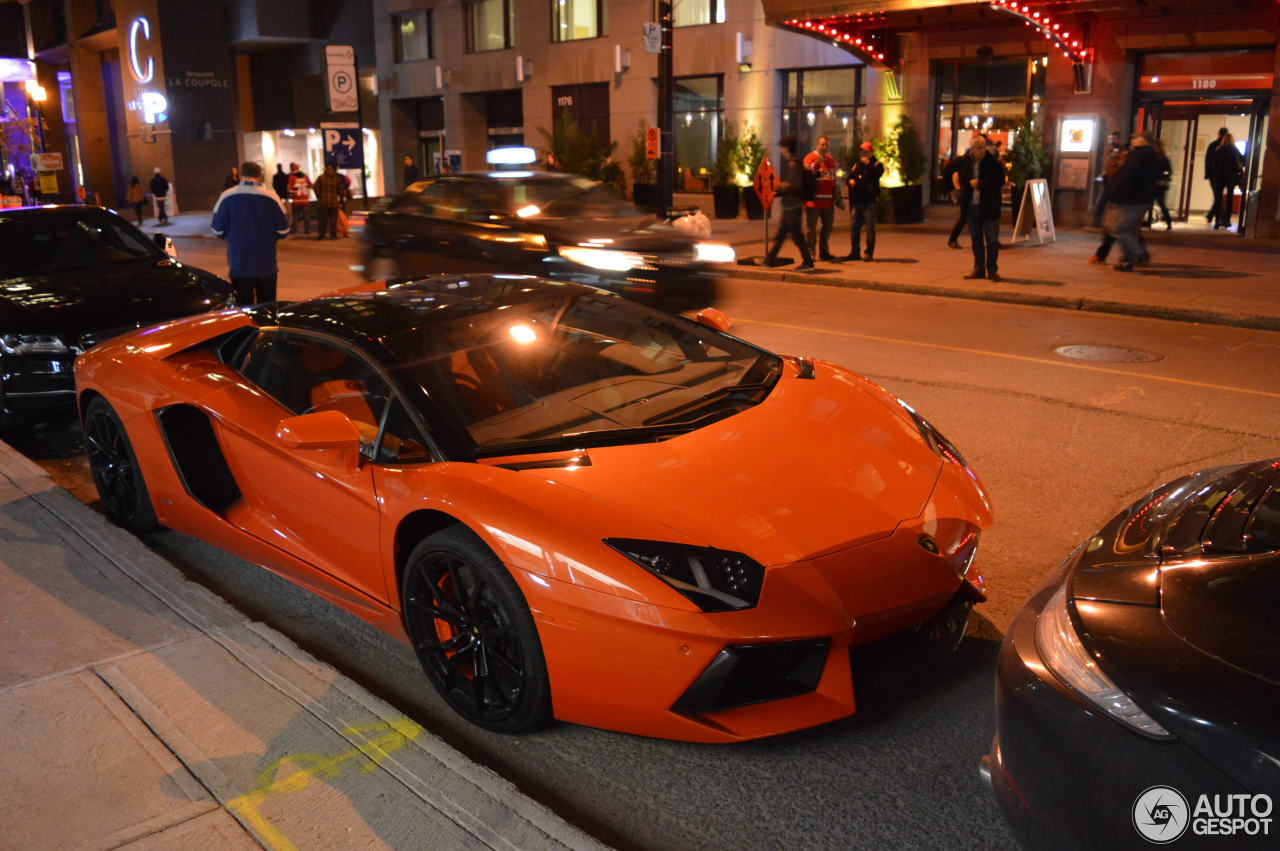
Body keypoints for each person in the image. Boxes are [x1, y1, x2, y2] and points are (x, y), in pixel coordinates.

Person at [211, 161, 289, 305]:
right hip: (266, 264)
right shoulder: (272, 197)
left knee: (243, 310)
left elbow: (217, 230)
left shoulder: (226, 197)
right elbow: (283, 230)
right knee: (267, 309)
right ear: (260, 176)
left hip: (239, 264)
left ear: (241, 175)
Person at [1108, 131, 1160, 272]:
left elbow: (1129, 176)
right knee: (1128, 229)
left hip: (1135, 198)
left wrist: (1116, 191)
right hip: (1141, 197)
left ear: (1144, 140)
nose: (1133, 139)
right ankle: (1126, 260)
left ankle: (1139, 254)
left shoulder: (1139, 155)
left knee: (1122, 228)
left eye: (1136, 137)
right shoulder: (1149, 155)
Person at [956, 135, 1005, 281]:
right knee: (976, 239)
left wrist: (981, 183)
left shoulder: (994, 163)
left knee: (991, 240)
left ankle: (992, 269)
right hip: (971, 206)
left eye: (983, 147)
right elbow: (957, 175)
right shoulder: (965, 162)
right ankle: (978, 269)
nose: (981, 150)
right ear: (972, 148)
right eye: (978, 147)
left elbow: (999, 181)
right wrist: (957, 188)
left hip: (989, 206)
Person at [763, 136, 814, 271]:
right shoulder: (793, 164)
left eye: (781, 148)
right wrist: (779, 191)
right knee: (781, 235)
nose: (780, 151)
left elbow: (795, 186)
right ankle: (769, 261)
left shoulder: (793, 165)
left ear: (786, 148)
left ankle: (808, 262)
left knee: (797, 236)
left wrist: (779, 187)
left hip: (793, 207)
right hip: (789, 206)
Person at [844, 142, 883, 261]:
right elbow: (850, 177)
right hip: (857, 201)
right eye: (861, 152)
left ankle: (869, 252)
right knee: (855, 227)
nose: (863, 154)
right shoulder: (857, 164)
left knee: (870, 228)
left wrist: (869, 164)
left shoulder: (876, 164)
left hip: (869, 202)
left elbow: (877, 174)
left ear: (871, 152)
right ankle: (855, 251)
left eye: (865, 152)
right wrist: (850, 181)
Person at [802, 135, 839, 261]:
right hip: (814, 201)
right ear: (817, 145)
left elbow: (833, 176)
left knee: (828, 226)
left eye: (826, 145)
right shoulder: (810, 157)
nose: (824, 147)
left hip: (828, 200)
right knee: (811, 228)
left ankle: (824, 251)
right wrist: (817, 164)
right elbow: (807, 175)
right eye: (822, 145)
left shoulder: (830, 159)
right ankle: (810, 252)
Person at [1211, 133, 1244, 230]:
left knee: (1218, 199)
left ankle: (1217, 222)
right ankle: (1227, 221)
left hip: (1219, 177)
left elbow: (1214, 164)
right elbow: (1241, 162)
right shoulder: (1235, 150)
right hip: (1231, 177)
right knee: (1230, 199)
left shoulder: (1218, 150)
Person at [313, 162, 346, 240]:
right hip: (334, 203)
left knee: (322, 220)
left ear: (325, 169)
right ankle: (333, 235)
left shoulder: (320, 178)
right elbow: (341, 190)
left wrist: (319, 197)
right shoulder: (336, 179)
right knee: (333, 220)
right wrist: (341, 200)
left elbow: (315, 187)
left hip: (323, 203)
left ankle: (321, 235)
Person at [943, 151, 968, 248]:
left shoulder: (985, 161)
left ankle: (992, 240)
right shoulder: (964, 160)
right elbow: (947, 171)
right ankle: (952, 239)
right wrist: (951, 189)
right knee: (964, 217)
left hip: (978, 193)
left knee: (982, 217)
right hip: (967, 192)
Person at [1203, 126, 1228, 225]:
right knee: (1218, 196)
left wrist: (1207, 174)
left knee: (1217, 196)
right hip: (1223, 175)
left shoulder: (1212, 145)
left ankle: (1212, 216)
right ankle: (1221, 219)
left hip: (1213, 175)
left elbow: (1207, 161)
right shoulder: (1227, 146)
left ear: (1219, 134)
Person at [1149, 138, 1173, 231]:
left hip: (1158, 185)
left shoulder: (1162, 158)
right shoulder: (1161, 158)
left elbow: (1168, 171)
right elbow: (1168, 171)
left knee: (1160, 204)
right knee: (1160, 204)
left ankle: (1168, 222)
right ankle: (1168, 222)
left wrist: (1163, 179)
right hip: (1156, 184)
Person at [287, 163, 312, 235]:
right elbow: (310, 185)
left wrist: (290, 196)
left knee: (295, 216)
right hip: (305, 200)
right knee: (306, 216)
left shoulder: (291, 177)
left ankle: (294, 230)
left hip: (296, 200)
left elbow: (290, 189)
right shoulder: (305, 176)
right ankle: (308, 230)